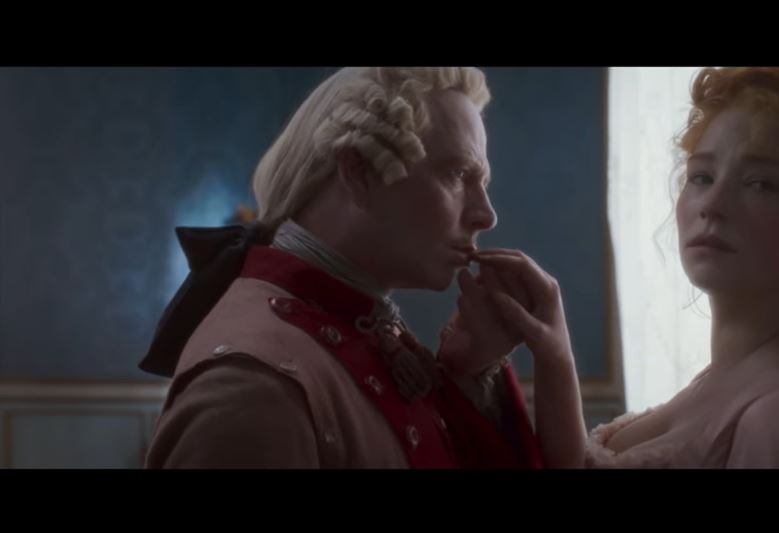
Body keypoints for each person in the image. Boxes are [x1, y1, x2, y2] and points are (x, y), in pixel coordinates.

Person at [475, 67, 779, 468]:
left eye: (760, 183)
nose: (713, 205)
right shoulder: (734, 374)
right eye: (702, 177)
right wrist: (552, 355)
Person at [141, 67, 542, 468]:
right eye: (456, 174)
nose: (486, 215)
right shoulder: (254, 389)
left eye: (481, 182)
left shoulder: (364, 327)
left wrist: (470, 373)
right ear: (359, 173)